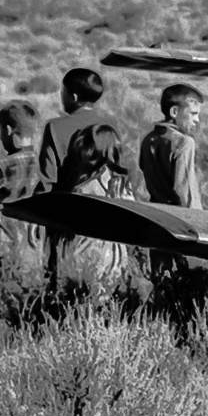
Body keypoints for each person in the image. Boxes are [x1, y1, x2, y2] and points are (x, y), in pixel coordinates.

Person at [48, 124, 137, 297]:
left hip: (73, 259)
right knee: (101, 301)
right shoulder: (114, 183)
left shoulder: (72, 185)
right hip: (106, 259)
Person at [0, 101, 43, 286]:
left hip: (4, 237)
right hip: (31, 240)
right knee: (27, 285)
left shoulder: (2, 166)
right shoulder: (41, 164)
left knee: (4, 281)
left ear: (7, 130)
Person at [38, 68, 109, 193]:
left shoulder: (55, 127)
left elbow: (47, 181)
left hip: (68, 203)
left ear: (73, 97)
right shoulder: (108, 127)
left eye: (63, 92)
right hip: (106, 201)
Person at [139, 84, 205, 209]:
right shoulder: (184, 142)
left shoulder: (149, 139)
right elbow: (185, 189)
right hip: (181, 213)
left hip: (156, 209)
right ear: (174, 112)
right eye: (193, 114)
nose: (197, 120)